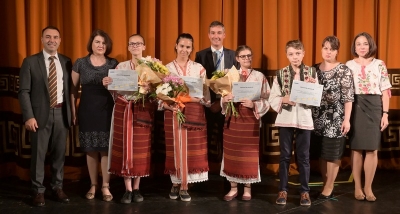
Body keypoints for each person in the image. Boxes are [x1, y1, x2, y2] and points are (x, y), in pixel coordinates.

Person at [18, 26, 71, 206]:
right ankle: (38, 191)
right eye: (48, 37)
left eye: (55, 37)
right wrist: (29, 116)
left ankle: (57, 187)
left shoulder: (66, 61)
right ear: (41, 39)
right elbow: (24, 91)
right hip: (39, 116)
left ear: (60, 40)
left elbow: (70, 90)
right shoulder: (30, 62)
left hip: (62, 113)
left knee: (59, 155)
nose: (52, 40)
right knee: (38, 155)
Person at [103, 34, 154, 203]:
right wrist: (109, 84)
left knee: (139, 148)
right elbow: (115, 91)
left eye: (138, 44)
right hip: (123, 107)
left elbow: (157, 93)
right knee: (124, 145)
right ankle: (127, 189)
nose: (135, 46)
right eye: (132, 44)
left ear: (144, 46)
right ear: (128, 47)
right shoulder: (121, 67)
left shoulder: (152, 66)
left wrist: (149, 88)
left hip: (142, 108)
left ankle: (137, 188)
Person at [70, 29, 118, 202]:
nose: (101, 45)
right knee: (90, 149)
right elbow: (73, 90)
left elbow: (119, 89)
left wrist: (110, 84)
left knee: (105, 149)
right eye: (98, 42)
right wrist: (73, 111)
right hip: (87, 109)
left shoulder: (113, 63)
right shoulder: (80, 63)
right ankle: (93, 184)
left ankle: (106, 186)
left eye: (104, 43)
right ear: (91, 43)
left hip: (106, 109)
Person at [162, 33, 211, 202]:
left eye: (188, 47)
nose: (184, 50)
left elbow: (206, 94)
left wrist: (201, 98)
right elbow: (160, 95)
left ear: (192, 49)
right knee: (175, 149)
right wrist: (167, 103)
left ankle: (186, 185)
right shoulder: (166, 68)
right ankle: (175, 183)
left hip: (194, 112)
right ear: (176, 46)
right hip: (174, 111)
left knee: (191, 149)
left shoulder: (199, 68)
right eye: (181, 46)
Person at [268, 40, 317, 206]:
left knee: (303, 157)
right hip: (286, 119)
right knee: (285, 156)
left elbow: (316, 99)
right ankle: (282, 190)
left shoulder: (312, 73)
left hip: (304, 118)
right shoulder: (281, 74)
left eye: (297, 53)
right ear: (286, 55)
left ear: (303, 53)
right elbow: (272, 98)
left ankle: (304, 192)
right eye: (291, 54)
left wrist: (313, 88)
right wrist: (284, 98)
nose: (294, 57)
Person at [345, 32, 391, 202]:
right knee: (356, 149)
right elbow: (345, 91)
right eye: (358, 44)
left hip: (375, 106)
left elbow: (386, 91)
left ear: (370, 45)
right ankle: (357, 187)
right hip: (355, 105)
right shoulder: (348, 65)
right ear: (354, 47)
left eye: (365, 43)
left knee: (372, 149)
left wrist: (385, 114)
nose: (362, 47)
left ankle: (368, 187)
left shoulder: (379, 64)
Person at [220, 45, 270, 201]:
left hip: (250, 120)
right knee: (231, 152)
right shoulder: (229, 75)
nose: (247, 58)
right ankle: (233, 187)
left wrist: (254, 104)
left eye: (249, 55)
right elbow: (222, 95)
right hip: (233, 119)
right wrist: (225, 99)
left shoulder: (259, 76)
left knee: (249, 153)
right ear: (237, 58)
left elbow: (267, 99)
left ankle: (247, 188)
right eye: (243, 56)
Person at [311, 36, 354, 199]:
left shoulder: (343, 70)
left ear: (337, 51)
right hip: (317, 117)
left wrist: (347, 119)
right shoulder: (313, 69)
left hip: (336, 117)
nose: (328, 52)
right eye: (326, 48)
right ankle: (325, 184)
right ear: (321, 49)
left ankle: (329, 187)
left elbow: (348, 97)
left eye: (332, 49)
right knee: (322, 152)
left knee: (333, 153)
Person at [195, 21, 238, 162]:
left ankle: (227, 172)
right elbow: (199, 82)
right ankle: (204, 172)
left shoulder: (233, 55)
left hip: (227, 105)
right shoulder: (200, 55)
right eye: (213, 33)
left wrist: (222, 102)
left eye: (219, 33)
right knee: (204, 140)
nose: (216, 36)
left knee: (226, 140)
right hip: (207, 105)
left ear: (224, 35)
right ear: (208, 35)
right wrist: (210, 102)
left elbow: (237, 82)